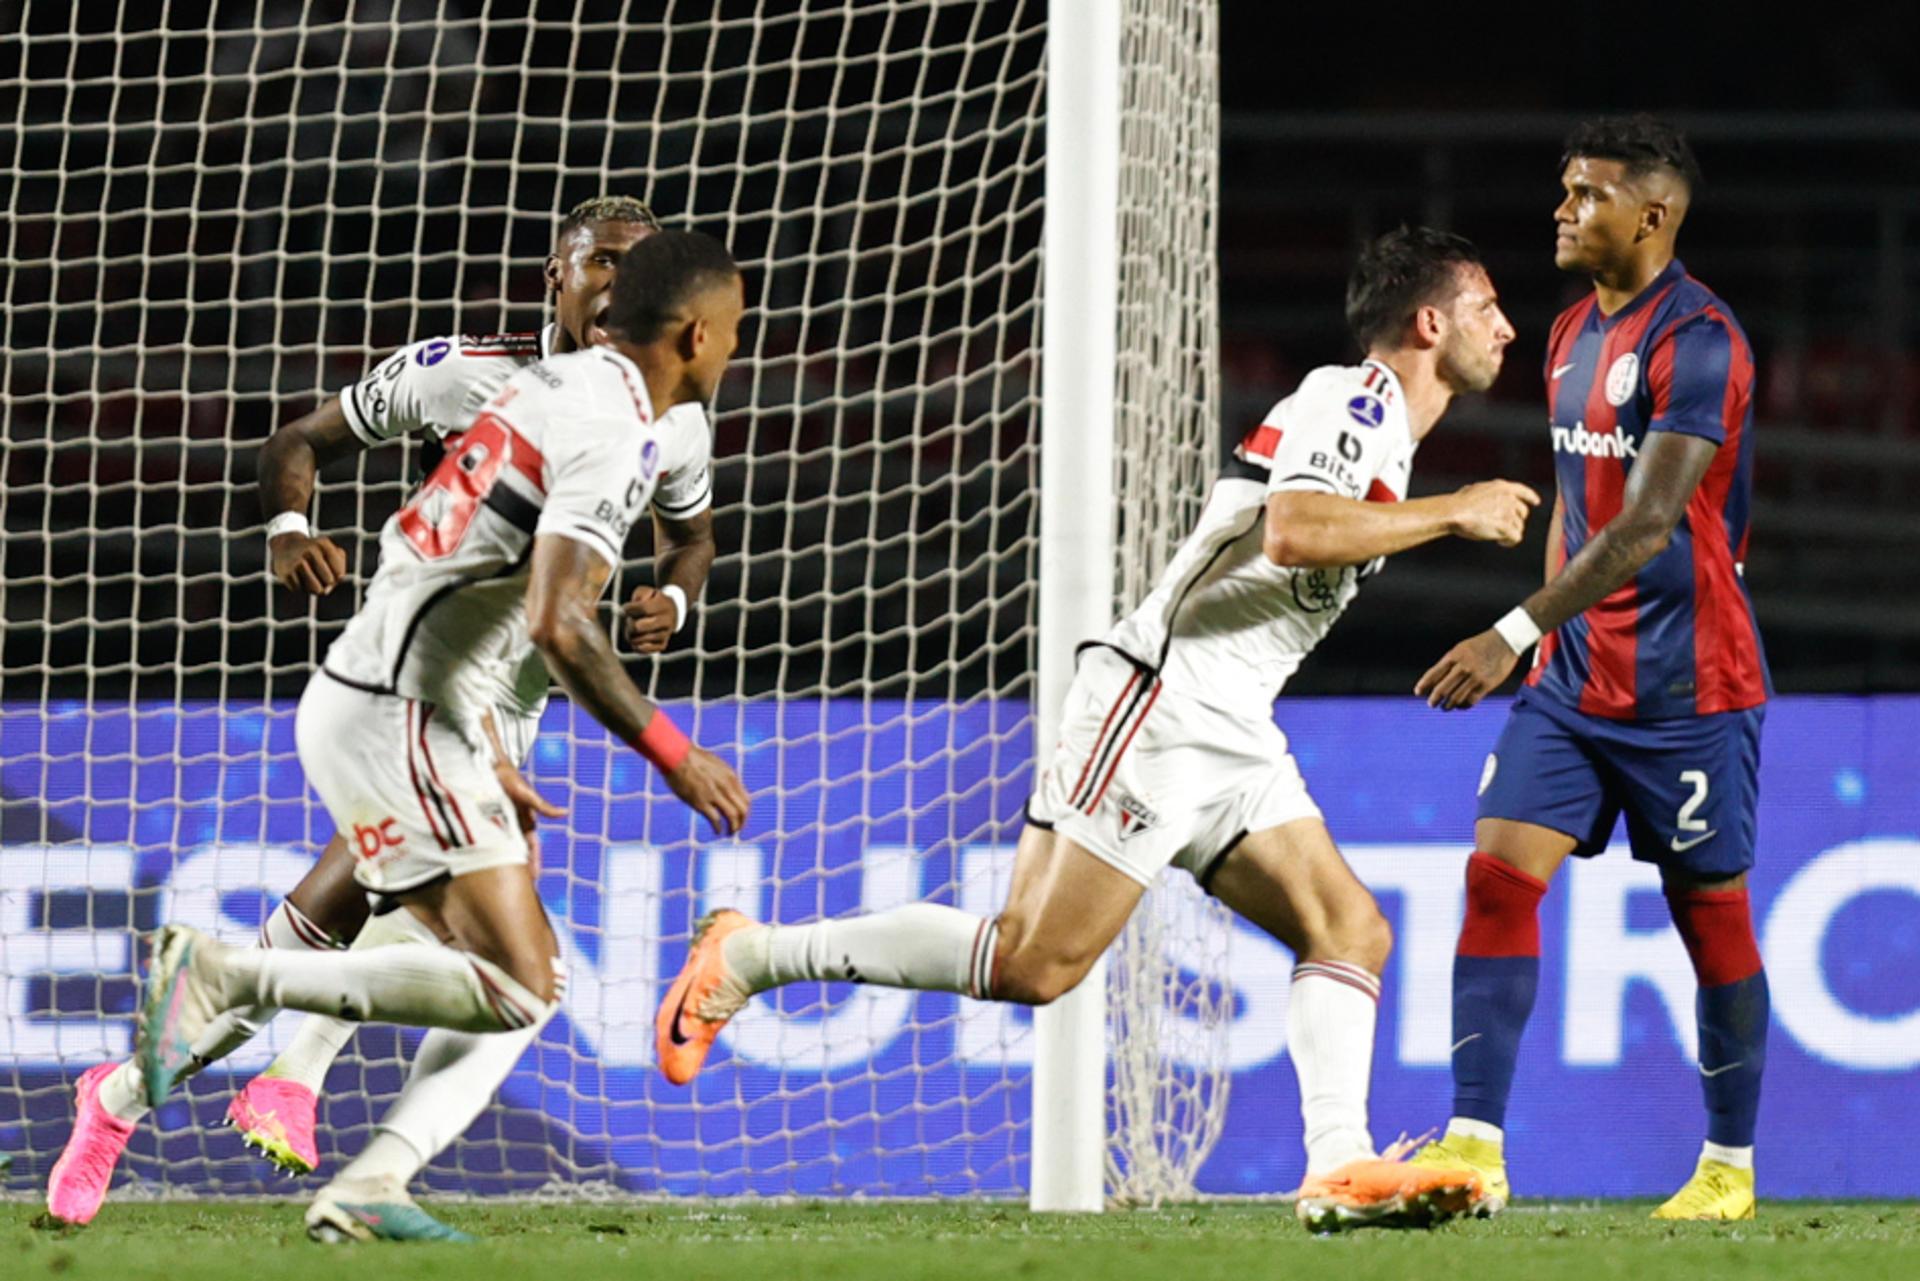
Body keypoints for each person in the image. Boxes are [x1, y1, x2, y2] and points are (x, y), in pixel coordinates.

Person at [657, 227, 1536, 1231]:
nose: (1505, 328)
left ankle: (1339, 1164)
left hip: (1231, 722)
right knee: (1036, 963)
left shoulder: (1385, 429)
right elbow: (1295, 530)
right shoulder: (1356, 400)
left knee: (1350, 928)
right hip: (1163, 703)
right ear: (1430, 323)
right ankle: (753, 958)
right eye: (1484, 308)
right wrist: (1451, 511)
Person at [44, 197, 713, 1226]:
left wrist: (670, 594)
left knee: (401, 938)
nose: (616, 285)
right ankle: (295, 1094)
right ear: (558, 276)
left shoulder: (662, 417)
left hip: (470, 700)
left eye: (638, 267)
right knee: (504, 972)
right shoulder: (474, 376)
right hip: (422, 689)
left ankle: (159, 1091)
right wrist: (288, 525)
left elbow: (687, 537)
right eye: (601, 264)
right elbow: (311, 442)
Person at [1410, 116, 1768, 1222]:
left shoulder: (1700, 339)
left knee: (1708, 914)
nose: (1564, 209)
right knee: (1495, 876)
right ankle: (1474, 1147)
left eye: (1589, 195)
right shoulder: (1569, 331)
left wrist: (1509, 632)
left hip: (1689, 688)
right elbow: (1581, 512)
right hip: (1571, 685)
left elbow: (1650, 523)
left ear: (1652, 216)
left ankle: (1728, 1169)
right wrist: (1549, 654)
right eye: (1564, 191)